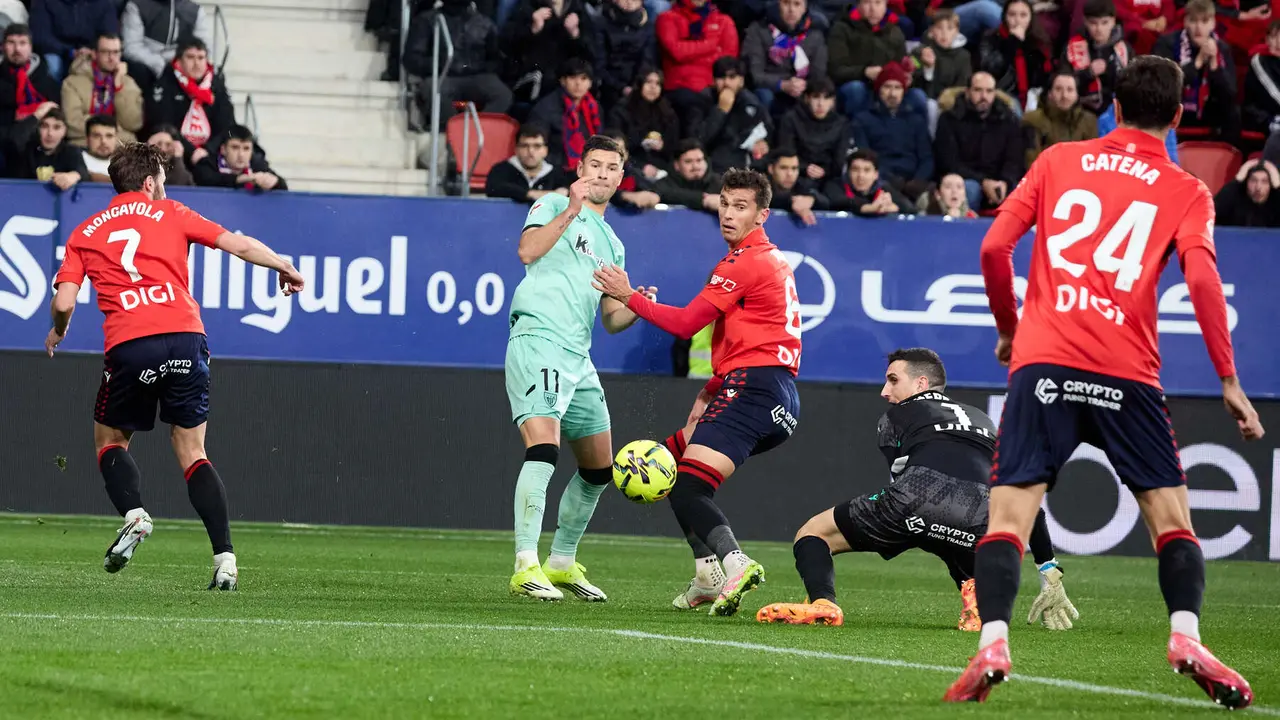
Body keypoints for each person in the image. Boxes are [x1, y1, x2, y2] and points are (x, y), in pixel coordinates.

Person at [945, 55, 1264, 707]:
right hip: (1128, 372)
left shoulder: (1058, 161)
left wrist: (1009, 328)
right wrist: (1228, 379)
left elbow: (991, 249)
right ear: (1178, 116)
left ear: (1112, 108)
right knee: (1171, 520)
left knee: (1007, 519)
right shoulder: (1186, 190)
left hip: (1043, 364)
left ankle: (994, 642)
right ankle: (1184, 636)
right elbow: (1202, 282)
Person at [44, 142, 305, 591]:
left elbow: (64, 301)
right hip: (186, 339)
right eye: (162, 179)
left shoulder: (85, 232)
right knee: (193, 452)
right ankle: (225, 560)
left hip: (130, 346)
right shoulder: (173, 214)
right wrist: (283, 265)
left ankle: (135, 514)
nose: (163, 186)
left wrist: (59, 330)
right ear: (149, 182)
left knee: (110, 440)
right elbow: (238, 246)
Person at [592, 167, 802, 617]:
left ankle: (735, 563)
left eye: (740, 206)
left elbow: (688, 324)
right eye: (725, 203)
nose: (728, 214)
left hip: (754, 389)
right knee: (667, 462)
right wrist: (712, 390)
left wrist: (629, 296)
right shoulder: (770, 260)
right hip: (771, 394)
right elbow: (750, 338)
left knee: (687, 487)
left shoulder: (745, 262)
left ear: (762, 214)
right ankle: (707, 574)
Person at [756, 348, 1075, 632]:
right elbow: (1025, 500)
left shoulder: (895, 415)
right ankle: (976, 592)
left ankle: (823, 604)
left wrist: (914, 524)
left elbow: (909, 491)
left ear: (921, 383)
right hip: (983, 510)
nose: (885, 391)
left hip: (915, 498)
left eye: (893, 380)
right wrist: (1047, 567)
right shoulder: (983, 420)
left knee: (813, 533)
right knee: (956, 524)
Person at [506, 134, 655, 602]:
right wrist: (571, 210)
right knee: (544, 448)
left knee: (598, 468)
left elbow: (611, 320)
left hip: (578, 354)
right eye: (595, 165)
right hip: (539, 340)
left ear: (620, 177)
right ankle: (525, 562)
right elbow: (527, 252)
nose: (603, 174)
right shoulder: (552, 204)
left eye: (612, 167)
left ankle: (563, 562)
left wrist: (636, 303)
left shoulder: (613, 243)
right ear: (580, 168)